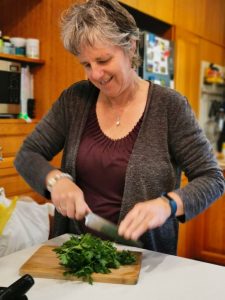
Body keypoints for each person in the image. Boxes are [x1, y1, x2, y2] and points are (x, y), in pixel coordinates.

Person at [14, 0, 224, 255]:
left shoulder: (170, 107)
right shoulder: (75, 99)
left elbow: (212, 179)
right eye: (86, 64)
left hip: (145, 260)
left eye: (104, 60)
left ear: (130, 46)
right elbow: (27, 155)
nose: (96, 74)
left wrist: (167, 204)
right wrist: (55, 180)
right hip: (76, 255)